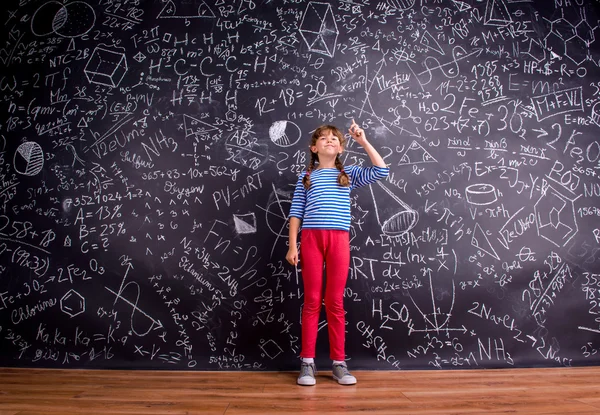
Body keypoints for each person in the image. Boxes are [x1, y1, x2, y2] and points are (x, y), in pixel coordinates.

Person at [286, 120, 389, 386]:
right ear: (314, 147)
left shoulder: (349, 174)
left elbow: (381, 170)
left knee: (334, 302)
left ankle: (338, 364)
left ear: (341, 148)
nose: (329, 140)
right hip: (311, 239)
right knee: (311, 301)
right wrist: (292, 245)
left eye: (335, 138)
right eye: (323, 138)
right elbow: (296, 213)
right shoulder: (306, 177)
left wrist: (363, 141)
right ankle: (307, 363)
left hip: (339, 240)